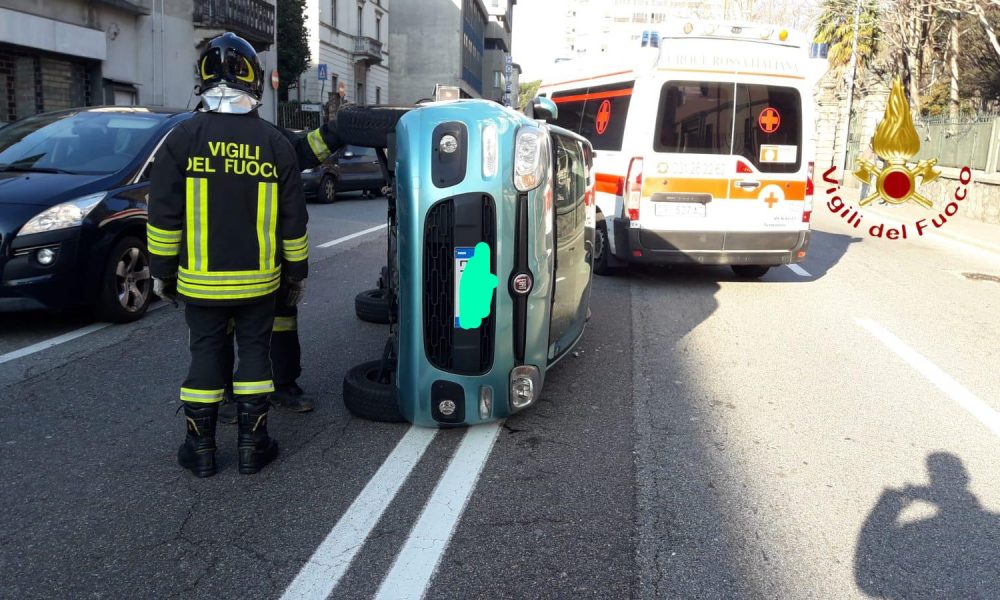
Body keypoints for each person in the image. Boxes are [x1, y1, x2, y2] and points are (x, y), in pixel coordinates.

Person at [149, 32, 309, 477]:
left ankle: (200, 453)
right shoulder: (274, 144)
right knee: (254, 354)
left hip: (199, 282)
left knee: (204, 354)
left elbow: (162, 217)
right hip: (260, 282)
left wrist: (160, 272)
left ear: (202, 78)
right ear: (254, 79)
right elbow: (293, 222)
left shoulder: (182, 140)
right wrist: (296, 274)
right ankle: (252, 446)